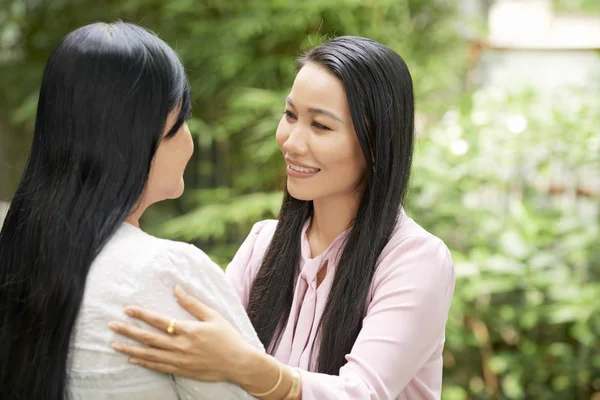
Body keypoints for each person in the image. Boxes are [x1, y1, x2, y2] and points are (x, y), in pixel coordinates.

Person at [109, 36, 457, 399]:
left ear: (375, 145)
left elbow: (361, 393)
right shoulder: (263, 244)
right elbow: (203, 346)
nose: (291, 141)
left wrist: (246, 367)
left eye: (320, 126)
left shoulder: (416, 260)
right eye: (290, 115)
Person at [0, 22, 266, 400]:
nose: (190, 138)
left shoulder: (18, 258)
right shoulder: (164, 271)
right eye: (182, 120)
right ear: (143, 136)